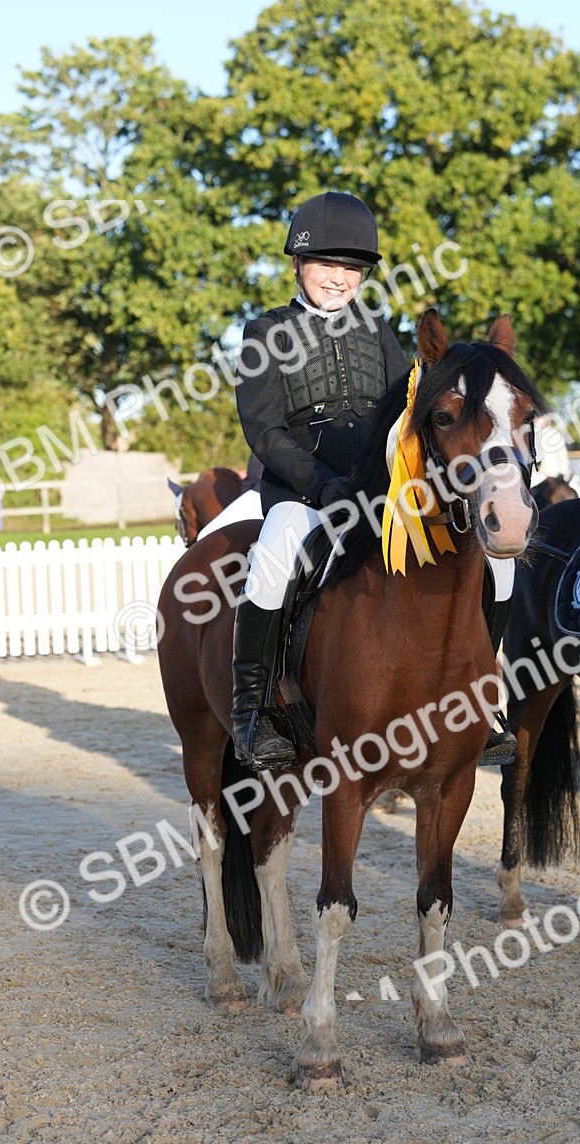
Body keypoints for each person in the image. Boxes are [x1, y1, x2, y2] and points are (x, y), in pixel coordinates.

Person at [231, 191, 407, 769]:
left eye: (351, 268)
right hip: (302, 490)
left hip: (379, 486)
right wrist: (323, 484)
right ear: (297, 264)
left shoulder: (379, 330)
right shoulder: (265, 331)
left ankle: (478, 700)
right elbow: (264, 430)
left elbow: (407, 408)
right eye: (327, 264)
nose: (339, 278)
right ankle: (253, 711)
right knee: (276, 555)